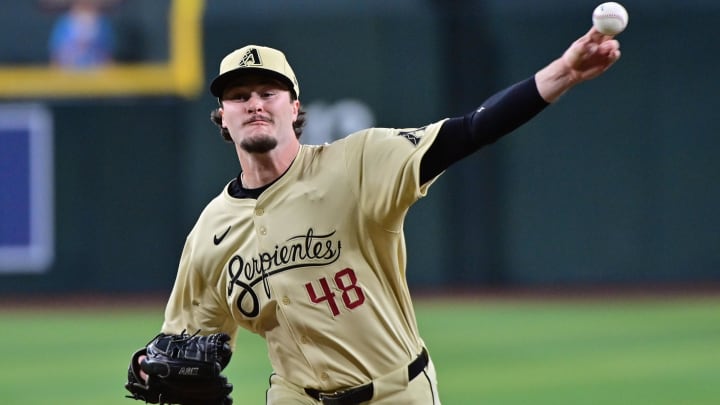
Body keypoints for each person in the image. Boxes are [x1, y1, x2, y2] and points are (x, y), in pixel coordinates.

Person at [129, 27, 621, 404]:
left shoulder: (357, 163)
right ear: (222, 116)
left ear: (294, 106)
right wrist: (148, 365)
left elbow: (469, 131)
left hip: (395, 392)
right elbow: (184, 343)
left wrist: (563, 72)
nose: (254, 104)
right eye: (239, 97)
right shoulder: (210, 231)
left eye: (268, 93)